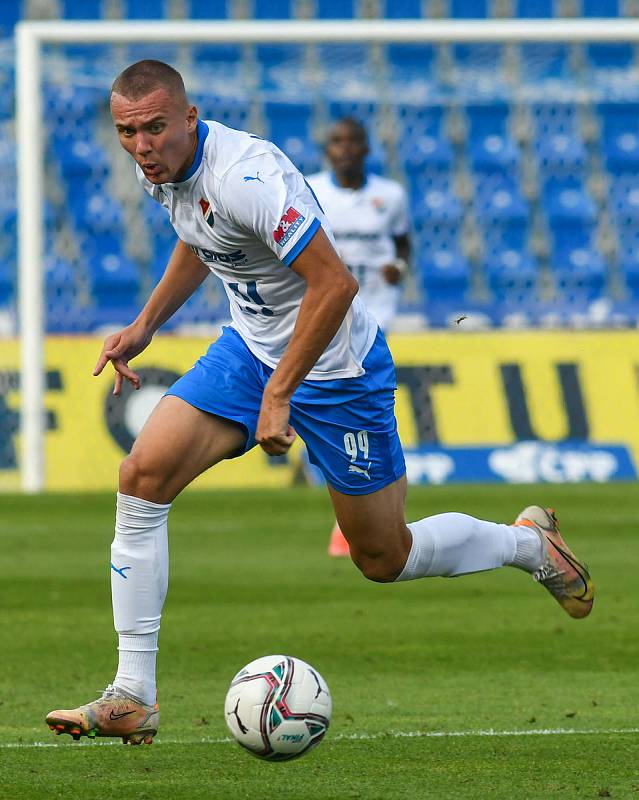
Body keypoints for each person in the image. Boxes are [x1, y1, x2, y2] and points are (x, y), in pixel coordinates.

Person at [45, 61, 594, 747]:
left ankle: (526, 544)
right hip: (249, 350)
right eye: (128, 132)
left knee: (381, 557)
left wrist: (281, 394)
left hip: (337, 369)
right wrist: (147, 323)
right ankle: (133, 693)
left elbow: (333, 285)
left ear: (190, 117)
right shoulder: (159, 170)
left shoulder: (248, 176)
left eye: (155, 127)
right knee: (142, 477)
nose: (142, 144)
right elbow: (199, 238)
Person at [307, 118, 411, 557]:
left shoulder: (391, 195)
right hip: (326, 315)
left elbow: (403, 244)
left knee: (366, 407)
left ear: (367, 149)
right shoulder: (310, 190)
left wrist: (399, 269)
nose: (345, 149)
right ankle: (360, 512)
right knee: (340, 408)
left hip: (376, 316)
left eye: (353, 142)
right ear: (326, 149)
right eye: (337, 141)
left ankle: (361, 518)